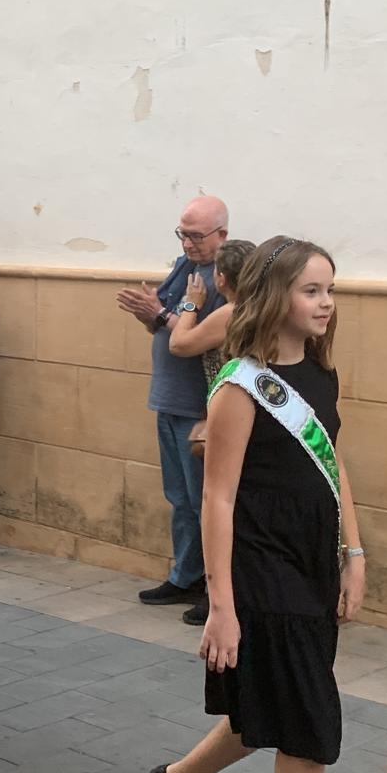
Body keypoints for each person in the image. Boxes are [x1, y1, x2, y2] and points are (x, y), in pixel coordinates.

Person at [149, 237, 365, 773]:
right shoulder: (241, 388)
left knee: (278, 697)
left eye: (330, 290)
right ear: (275, 296)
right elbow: (216, 500)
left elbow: (333, 464)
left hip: (312, 557)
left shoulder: (321, 372)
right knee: (309, 726)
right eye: (311, 290)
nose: (327, 303)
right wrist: (221, 605)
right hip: (262, 565)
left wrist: (355, 554)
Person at [117, 195, 230, 624]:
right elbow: (166, 316)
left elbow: (200, 334)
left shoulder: (225, 278)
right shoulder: (186, 267)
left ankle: (214, 585)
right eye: (183, 233)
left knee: (207, 502)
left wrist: (161, 312)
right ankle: (185, 574)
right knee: (180, 497)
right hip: (168, 398)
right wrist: (151, 312)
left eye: (197, 236)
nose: (188, 243)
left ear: (222, 234)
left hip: (198, 405)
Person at [170, 239, 257, 457]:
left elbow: (179, 345)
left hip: (231, 410)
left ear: (221, 279)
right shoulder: (262, 308)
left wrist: (191, 305)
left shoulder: (234, 312)